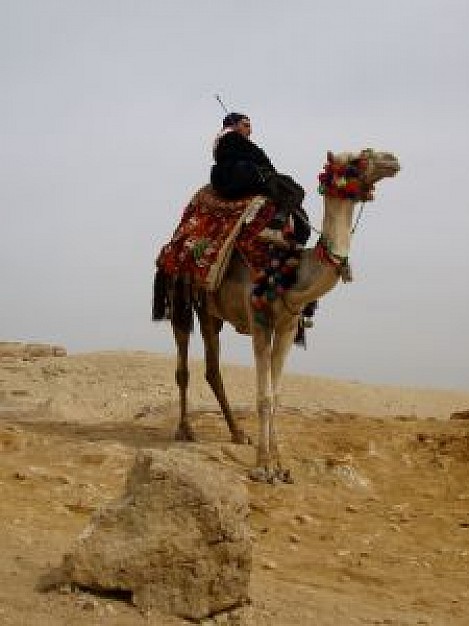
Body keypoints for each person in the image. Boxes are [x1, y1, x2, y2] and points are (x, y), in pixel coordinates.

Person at [210, 112, 311, 245]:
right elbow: (260, 159)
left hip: (236, 179)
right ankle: (276, 225)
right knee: (295, 191)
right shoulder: (232, 137)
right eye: (245, 125)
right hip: (243, 178)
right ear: (234, 125)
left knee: (293, 200)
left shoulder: (225, 143)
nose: (249, 131)